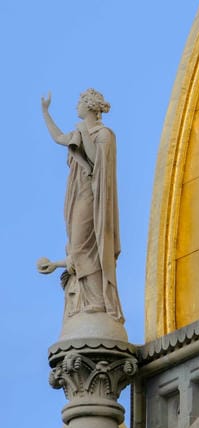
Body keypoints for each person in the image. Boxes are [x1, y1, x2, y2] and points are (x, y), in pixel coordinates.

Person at [40, 89, 124, 320]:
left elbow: (96, 160)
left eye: (79, 102)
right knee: (77, 244)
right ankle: (87, 300)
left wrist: (83, 132)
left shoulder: (105, 134)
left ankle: (97, 300)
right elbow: (59, 138)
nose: (76, 106)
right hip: (76, 194)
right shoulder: (81, 131)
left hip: (92, 196)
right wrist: (45, 112)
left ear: (90, 106)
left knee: (85, 244)